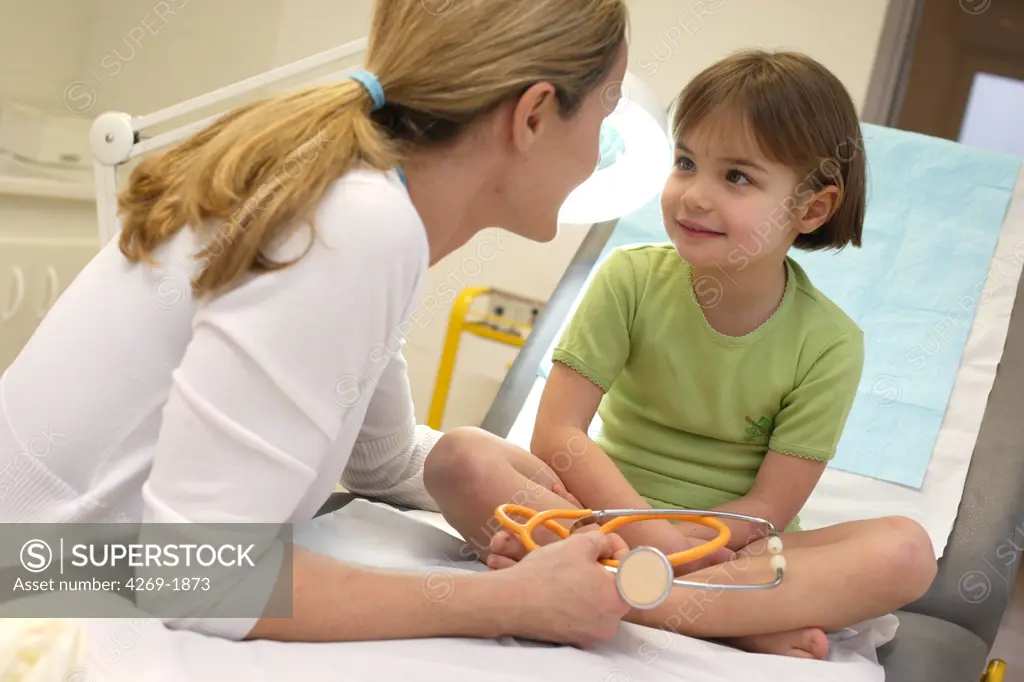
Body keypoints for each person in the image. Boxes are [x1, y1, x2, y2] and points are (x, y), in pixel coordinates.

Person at [0, 0, 639, 648]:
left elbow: (379, 460)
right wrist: (508, 602)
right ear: (532, 115)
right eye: (604, 120)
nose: (599, 157)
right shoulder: (357, 222)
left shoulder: (369, 202)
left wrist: (459, 462)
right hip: (31, 587)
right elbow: (197, 575)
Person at [424, 50, 939, 660]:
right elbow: (558, 434)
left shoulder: (831, 343)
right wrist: (649, 537)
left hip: (731, 547)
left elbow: (771, 508)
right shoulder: (628, 278)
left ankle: (621, 589)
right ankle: (711, 613)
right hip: (595, 515)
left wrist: (677, 546)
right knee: (458, 458)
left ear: (812, 209)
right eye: (686, 162)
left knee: (907, 552)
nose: (693, 195)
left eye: (737, 176)